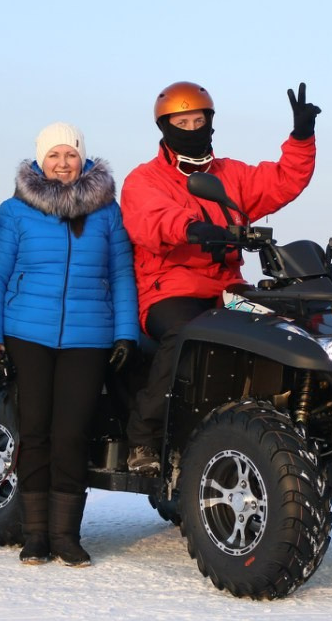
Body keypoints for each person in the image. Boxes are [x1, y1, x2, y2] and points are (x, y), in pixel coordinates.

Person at [120, 81, 320, 475]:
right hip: (170, 289)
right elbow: (151, 219)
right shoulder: (145, 179)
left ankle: (279, 425)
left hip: (227, 289)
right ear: (164, 127)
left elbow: (282, 180)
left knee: (283, 325)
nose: (192, 130)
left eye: (199, 121)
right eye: (182, 123)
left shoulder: (231, 174)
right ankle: (144, 436)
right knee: (184, 335)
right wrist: (192, 228)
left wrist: (301, 137)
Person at [0, 123, 137, 566]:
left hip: (89, 336)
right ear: (39, 161)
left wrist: (125, 333)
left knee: (72, 434)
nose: (62, 164)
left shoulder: (106, 212)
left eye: (70, 155)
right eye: (54, 155)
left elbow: (122, 274)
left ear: (83, 160)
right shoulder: (15, 211)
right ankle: (35, 535)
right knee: (35, 431)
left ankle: (65, 535)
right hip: (27, 333)